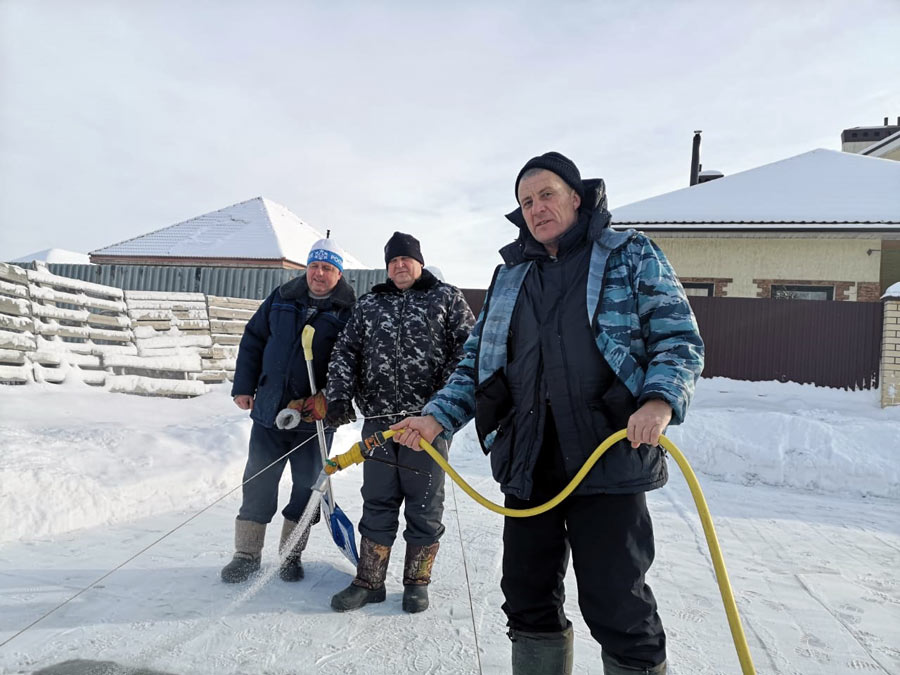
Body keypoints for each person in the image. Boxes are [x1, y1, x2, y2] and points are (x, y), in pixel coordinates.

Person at [391, 152, 704, 674]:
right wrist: (436, 417)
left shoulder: (629, 253)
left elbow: (677, 337)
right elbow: (477, 363)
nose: (536, 208)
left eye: (547, 195)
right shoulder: (510, 277)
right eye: (526, 201)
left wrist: (658, 400)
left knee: (616, 602)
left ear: (576, 197)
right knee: (526, 595)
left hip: (609, 455)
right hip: (529, 459)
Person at [324, 231, 475, 613]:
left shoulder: (446, 298)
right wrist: (339, 395)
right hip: (378, 422)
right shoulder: (370, 303)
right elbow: (346, 349)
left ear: (419, 262)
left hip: (425, 426)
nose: (399, 266)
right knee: (377, 501)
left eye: (406, 259)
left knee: (424, 506)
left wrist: (438, 411)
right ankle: (369, 580)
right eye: (393, 261)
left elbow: (468, 354)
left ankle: (416, 582)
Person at [223, 238, 356, 584]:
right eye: (314, 266)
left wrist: (331, 396)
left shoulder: (349, 311)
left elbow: (356, 362)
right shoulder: (282, 298)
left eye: (328, 268)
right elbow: (253, 339)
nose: (319, 273)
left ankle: (291, 554)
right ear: (307, 268)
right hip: (270, 411)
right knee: (258, 481)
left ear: (339, 274)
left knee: (305, 488)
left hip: (314, 421)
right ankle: (246, 554)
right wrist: (243, 386)